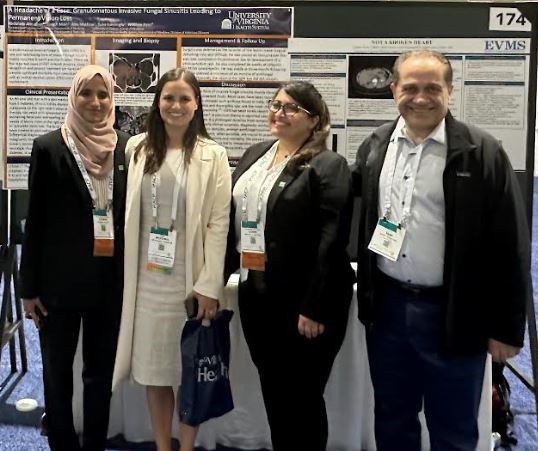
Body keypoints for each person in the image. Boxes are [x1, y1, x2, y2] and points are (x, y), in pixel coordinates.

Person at [352, 49, 531, 451]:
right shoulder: (377, 145)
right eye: (410, 87)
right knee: (393, 419)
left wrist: (506, 328)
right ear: (394, 89)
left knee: (453, 428)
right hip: (388, 310)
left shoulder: (480, 152)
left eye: (432, 87)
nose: (421, 97)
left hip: (455, 312)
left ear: (450, 91)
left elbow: (511, 245)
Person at [225, 81, 355, 450]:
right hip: (257, 294)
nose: (278, 113)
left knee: (303, 398)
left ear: (315, 121)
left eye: (291, 108)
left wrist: (314, 306)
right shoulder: (256, 154)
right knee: (275, 392)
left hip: (304, 305)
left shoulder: (328, 165)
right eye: (276, 104)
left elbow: (332, 241)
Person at [112, 68, 231, 451]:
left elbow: (218, 225)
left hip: (189, 278)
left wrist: (209, 284)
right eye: (168, 98)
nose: (176, 106)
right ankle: (164, 445)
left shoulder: (214, 155)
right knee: (155, 370)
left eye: (184, 98)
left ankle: (187, 445)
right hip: (147, 281)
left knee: (189, 371)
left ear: (196, 104)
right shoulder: (137, 149)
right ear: (157, 102)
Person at [20, 65, 129, 451]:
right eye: (87, 94)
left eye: (103, 95)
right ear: (73, 97)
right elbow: (36, 223)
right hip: (58, 286)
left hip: (108, 284)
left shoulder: (126, 148)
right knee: (57, 374)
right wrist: (28, 288)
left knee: (99, 375)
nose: (96, 103)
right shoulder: (48, 147)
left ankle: (94, 445)